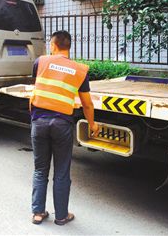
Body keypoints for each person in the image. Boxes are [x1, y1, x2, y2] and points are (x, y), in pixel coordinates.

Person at [30, 30, 99, 225]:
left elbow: (39, 86)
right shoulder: (79, 70)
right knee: (61, 171)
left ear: (53, 45)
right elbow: (87, 104)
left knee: (40, 169)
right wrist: (92, 125)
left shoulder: (41, 62)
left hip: (39, 122)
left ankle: (37, 213)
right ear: (69, 46)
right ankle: (61, 216)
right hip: (62, 125)